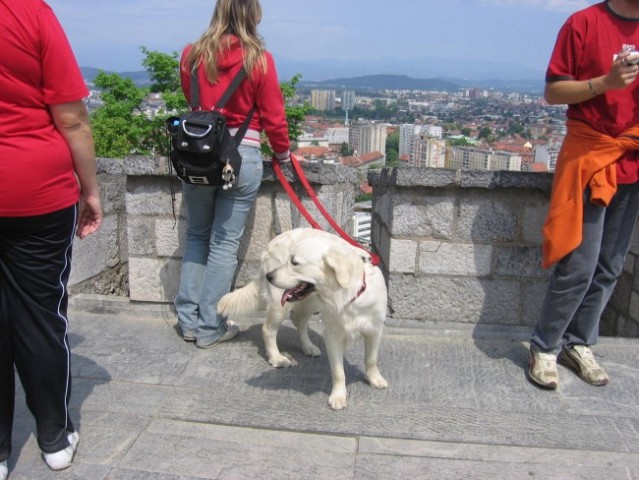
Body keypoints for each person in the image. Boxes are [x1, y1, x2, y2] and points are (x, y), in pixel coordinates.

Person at [0, 0, 103, 476]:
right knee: (41, 316)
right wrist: (91, 190)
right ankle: (54, 439)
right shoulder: (30, 13)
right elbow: (72, 118)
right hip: (34, 189)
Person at [529, 0, 639, 390]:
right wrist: (606, 83)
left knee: (610, 263)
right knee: (580, 262)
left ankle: (579, 343)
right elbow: (554, 91)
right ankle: (545, 346)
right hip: (591, 153)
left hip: (632, 155)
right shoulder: (584, 24)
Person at [174, 0, 291, 348]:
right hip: (242, 155)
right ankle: (211, 327)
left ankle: (189, 323)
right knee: (223, 244)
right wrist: (283, 153)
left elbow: (195, 103)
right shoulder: (259, 60)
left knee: (196, 235)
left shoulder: (191, 55)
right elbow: (274, 116)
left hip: (198, 155)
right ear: (253, 14)